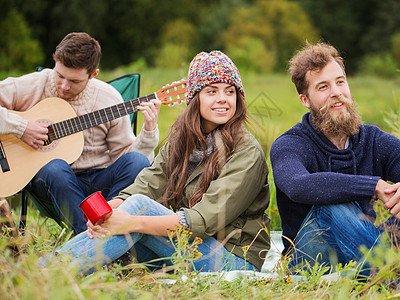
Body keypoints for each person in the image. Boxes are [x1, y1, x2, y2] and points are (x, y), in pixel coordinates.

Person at [43, 50, 271, 274]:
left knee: (139, 209)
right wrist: (107, 214)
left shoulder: (246, 151)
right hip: (187, 249)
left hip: (231, 259)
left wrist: (132, 222)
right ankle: (55, 269)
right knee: (133, 205)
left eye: (229, 92)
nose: (222, 98)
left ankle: (48, 272)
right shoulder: (182, 140)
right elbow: (149, 182)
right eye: (211, 91)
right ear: (195, 98)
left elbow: (204, 220)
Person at [270, 42, 400, 276]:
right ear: (305, 99)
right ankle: (398, 279)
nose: (336, 92)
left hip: (360, 243)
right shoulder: (290, 144)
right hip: (311, 257)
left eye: (340, 81)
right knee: (334, 206)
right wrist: (373, 186)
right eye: (323, 87)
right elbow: (297, 185)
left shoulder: (373, 139)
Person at [0, 32, 161, 234]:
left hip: (100, 184)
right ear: (54, 62)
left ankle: (104, 232)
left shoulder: (108, 98)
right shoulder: (33, 85)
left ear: (93, 74)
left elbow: (126, 157)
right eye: (59, 76)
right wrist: (20, 128)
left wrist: (148, 132)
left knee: (137, 161)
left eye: (74, 81)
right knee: (55, 167)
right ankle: (91, 243)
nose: (64, 86)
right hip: (53, 182)